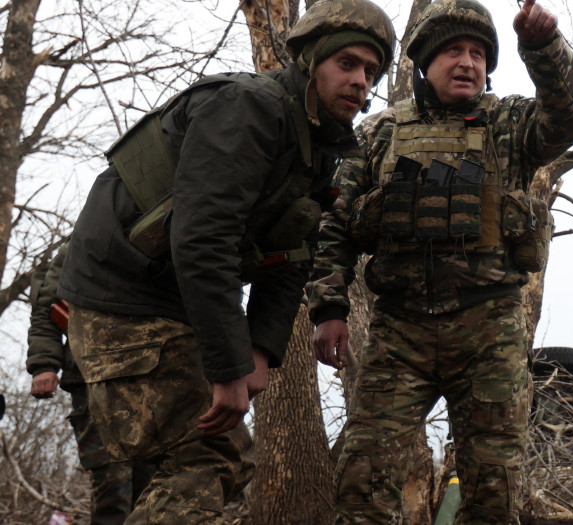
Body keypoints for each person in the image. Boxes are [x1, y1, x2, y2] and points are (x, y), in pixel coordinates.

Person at [56, 0, 396, 521]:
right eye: (346, 63)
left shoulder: (319, 147)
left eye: (371, 71)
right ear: (309, 61)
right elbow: (201, 238)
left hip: (169, 305)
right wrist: (228, 366)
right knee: (210, 457)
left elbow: (292, 255)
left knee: (214, 462)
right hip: (121, 300)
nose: (360, 81)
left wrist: (260, 350)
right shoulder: (248, 107)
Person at [305, 0, 573, 522]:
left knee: (494, 492)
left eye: (479, 53)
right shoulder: (379, 133)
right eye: (454, 51)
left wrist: (543, 48)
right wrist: (329, 308)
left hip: (489, 331)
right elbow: (334, 226)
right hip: (400, 331)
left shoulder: (508, 123)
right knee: (361, 485)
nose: (468, 62)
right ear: (425, 63)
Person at [26, 240, 156, 524]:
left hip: (154, 378)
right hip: (94, 376)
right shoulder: (83, 242)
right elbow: (48, 308)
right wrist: (44, 365)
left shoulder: (160, 235)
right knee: (112, 486)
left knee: (153, 488)